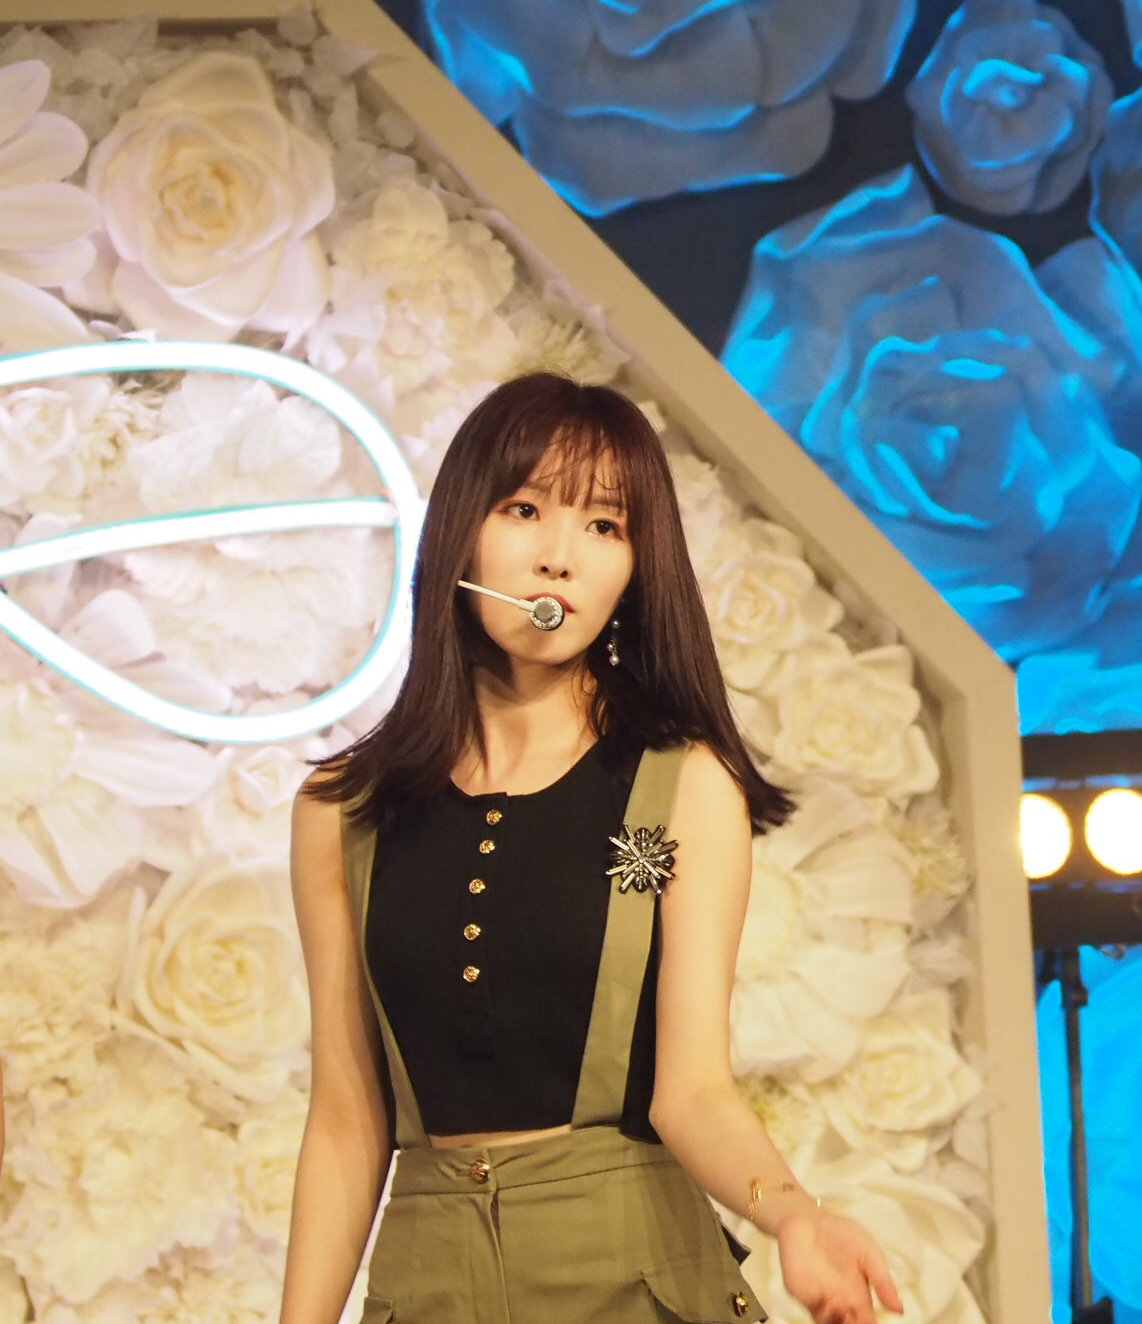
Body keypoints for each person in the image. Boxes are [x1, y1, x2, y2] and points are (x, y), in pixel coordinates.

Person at [279, 373, 903, 1324]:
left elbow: (692, 1093)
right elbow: (344, 1121)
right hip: (429, 1282)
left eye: (605, 526)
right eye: (525, 510)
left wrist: (794, 1216)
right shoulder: (343, 810)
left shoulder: (683, 784)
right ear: (461, 533)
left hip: (629, 1277)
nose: (559, 559)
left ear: (636, 570)